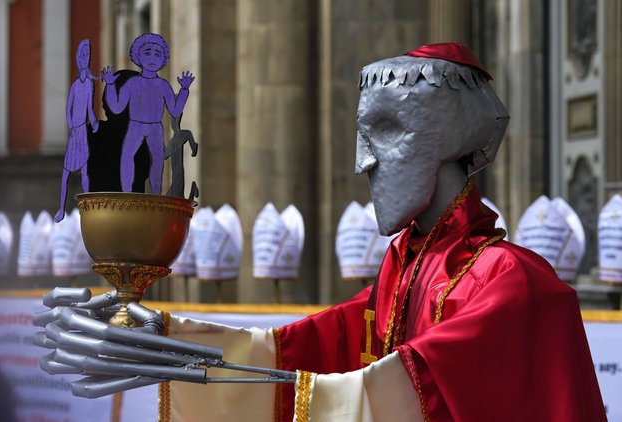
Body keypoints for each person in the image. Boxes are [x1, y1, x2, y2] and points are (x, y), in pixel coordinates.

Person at [36, 43, 606, 421]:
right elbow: (309, 347)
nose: (362, 162)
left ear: (451, 140)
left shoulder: (509, 282)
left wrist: (182, 359)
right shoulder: (404, 264)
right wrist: (167, 337)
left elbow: (396, 391)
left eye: (384, 130)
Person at [101, 33, 194, 194]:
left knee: (157, 161)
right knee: (127, 157)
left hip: (155, 128)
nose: (152, 57)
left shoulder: (163, 85)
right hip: (135, 126)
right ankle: (127, 194)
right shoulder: (133, 83)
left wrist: (184, 90)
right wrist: (109, 85)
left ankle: (155, 195)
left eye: (158, 54)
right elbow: (116, 107)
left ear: (163, 60)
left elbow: (175, 110)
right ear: (138, 55)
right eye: (147, 52)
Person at [55, 39, 99, 223]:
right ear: (77, 58)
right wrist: (71, 123)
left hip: (82, 132)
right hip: (75, 132)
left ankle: (87, 206)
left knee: (85, 171)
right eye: (82, 55)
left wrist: (94, 122)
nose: (84, 58)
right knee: (66, 173)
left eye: (87, 55)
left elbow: (89, 108)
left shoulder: (89, 84)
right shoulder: (75, 86)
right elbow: (68, 107)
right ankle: (61, 208)